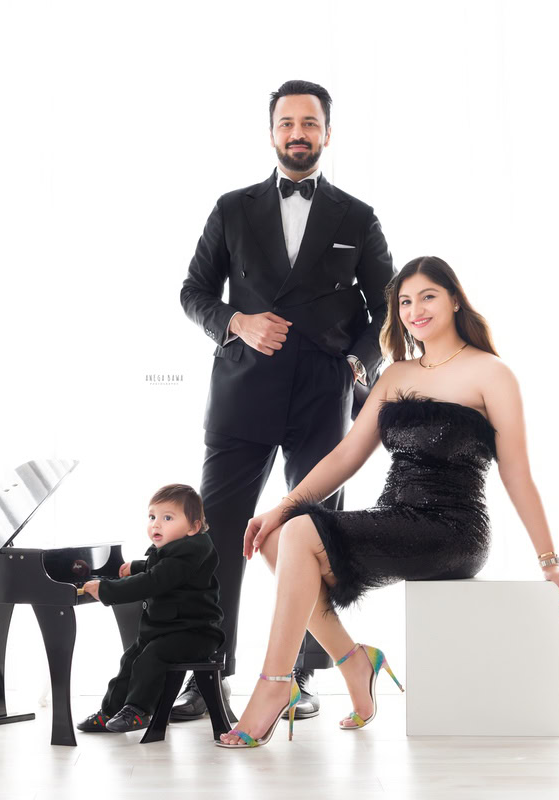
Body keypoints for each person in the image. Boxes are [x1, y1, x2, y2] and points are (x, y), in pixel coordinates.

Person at [214, 256, 559, 748]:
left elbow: (517, 474)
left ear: (455, 300)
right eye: (405, 302)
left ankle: (275, 684)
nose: (415, 310)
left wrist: (549, 561)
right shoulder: (395, 375)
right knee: (278, 537)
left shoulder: (491, 373)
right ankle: (354, 662)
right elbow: (345, 456)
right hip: (393, 515)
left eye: (428, 296)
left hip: (453, 528)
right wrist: (278, 509)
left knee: (300, 530)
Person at [177, 79, 395, 721]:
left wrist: (357, 363)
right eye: (287, 123)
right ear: (271, 132)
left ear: (327, 132)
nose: (298, 133)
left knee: (310, 536)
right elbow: (193, 292)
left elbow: (389, 308)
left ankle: (300, 676)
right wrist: (236, 322)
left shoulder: (358, 216)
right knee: (218, 536)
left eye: (310, 123)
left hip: (322, 396)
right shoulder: (232, 208)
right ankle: (206, 676)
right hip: (242, 391)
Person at [76, 484, 224, 734]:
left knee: (151, 657)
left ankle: (139, 710)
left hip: (196, 633)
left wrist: (106, 590)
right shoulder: (176, 550)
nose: (156, 524)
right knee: (130, 659)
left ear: (193, 527)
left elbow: (155, 580)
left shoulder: (192, 551)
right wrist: (137, 566)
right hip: (167, 630)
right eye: (152, 516)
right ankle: (110, 710)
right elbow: (161, 568)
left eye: (168, 518)